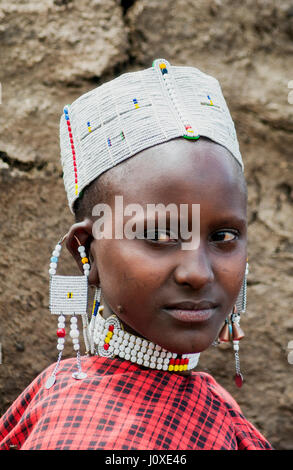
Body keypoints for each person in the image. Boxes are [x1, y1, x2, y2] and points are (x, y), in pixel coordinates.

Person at [0, 59, 273, 450]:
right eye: (160, 236)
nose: (197, 273)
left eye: (223, 235)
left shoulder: (213, 409)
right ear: (88, 252)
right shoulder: (85, 431)